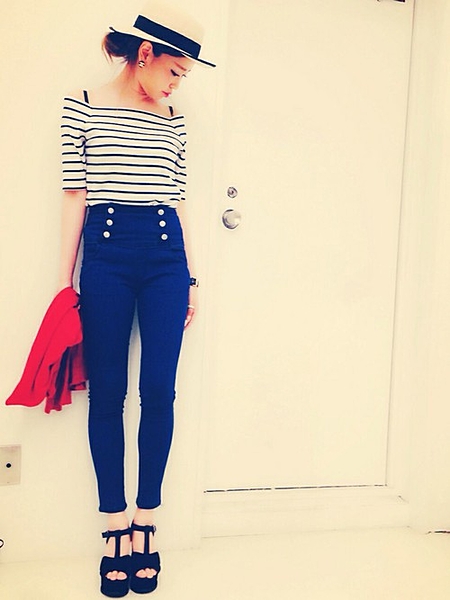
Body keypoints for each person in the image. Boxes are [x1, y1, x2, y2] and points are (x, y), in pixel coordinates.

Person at [58, 1, 215, 596]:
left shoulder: (173, 118)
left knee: (159, 391)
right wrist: (64, 281)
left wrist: (191, 276)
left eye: (184, 76)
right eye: (174, 71)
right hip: (105, 256)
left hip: (165, 258)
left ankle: (146, 521)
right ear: (145, 54)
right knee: (108, 394)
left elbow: (177, 200)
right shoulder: (83, 104)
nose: (177, 85)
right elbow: (75, 196)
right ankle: (113, 526)